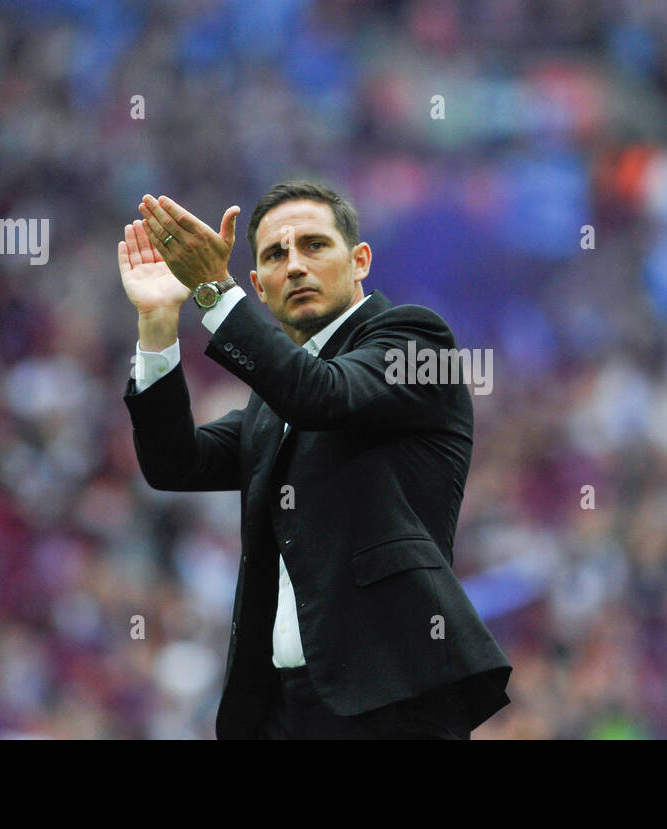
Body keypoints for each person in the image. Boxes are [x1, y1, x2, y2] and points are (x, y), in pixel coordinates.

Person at [118, 180, 512, 739]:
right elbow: (175, 463)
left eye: (314, 245)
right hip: (286, 707)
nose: (295, 265)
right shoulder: (270, 405)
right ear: (258, 285)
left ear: (360, 261)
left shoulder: (418, 342)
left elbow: (323, 395)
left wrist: (212, 290)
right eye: (276, 255)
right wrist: (157, 326)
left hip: (394, 697)